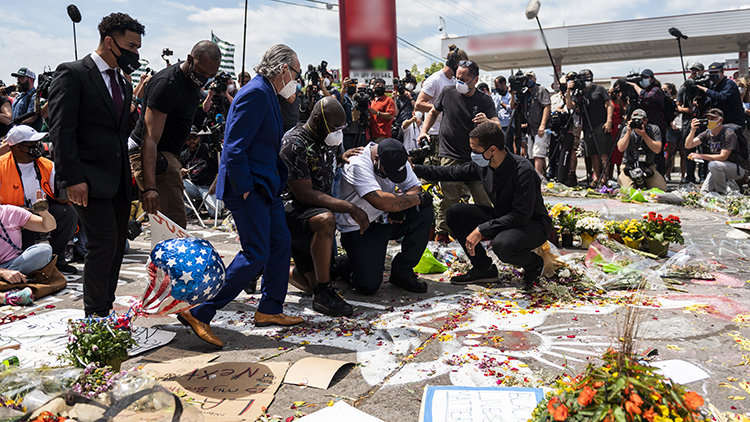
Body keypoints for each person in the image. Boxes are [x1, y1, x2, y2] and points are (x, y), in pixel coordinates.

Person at [178, 44, 304, 348]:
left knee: (280, 242)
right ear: (283, 69)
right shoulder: (255, 93)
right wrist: (246, 187)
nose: (297, 79)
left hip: (266, 186)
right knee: (256, 252)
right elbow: (233, 147)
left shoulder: (268, 93)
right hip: (248, 188)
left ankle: (269, 308)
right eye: (296, 72)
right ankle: (200, 311)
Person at [49, 12, 144, 317]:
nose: (135, 54)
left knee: (117, 246)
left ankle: (106, 306)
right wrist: (72, 177)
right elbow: (61, 130)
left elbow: (120, 131)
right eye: (130, 46)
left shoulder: (122, 81)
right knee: (102, 244)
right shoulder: (73, 73)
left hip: (116, 180)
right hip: (86, 180)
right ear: (109, 41)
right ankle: (95, 316)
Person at [413, 122, 551, 288]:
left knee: (502, 245)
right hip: (504, 218)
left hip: (532, 224)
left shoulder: (523, 171)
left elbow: (521, 216)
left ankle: (533, 263)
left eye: (475, 150)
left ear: (492, 150)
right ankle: (483, 268)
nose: (472, 154)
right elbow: (450, 173)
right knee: (455, 213)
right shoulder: (483, 166)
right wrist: (413, 168)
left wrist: (482, 230)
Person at [280, 97, 368, 316]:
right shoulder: (294, 143)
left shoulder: (326, 138)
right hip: (292, 211)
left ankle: (273, 269)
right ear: (317, 121)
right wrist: (349, 207)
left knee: (312, 280)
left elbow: (321, 163)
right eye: (335, 128)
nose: (339, 133)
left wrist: (340, 158)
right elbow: (304, 193)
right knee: (325, 219)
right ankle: (323, 294)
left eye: (342, 128)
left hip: (310, 211)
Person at [129, 41, 221, 229]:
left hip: (167, 153)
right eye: (202, 72)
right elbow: (149, 138)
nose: (204, 79)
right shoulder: (168, 84)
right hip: (153, 153)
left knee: (168, 225)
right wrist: (150, 187)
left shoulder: (191, 82)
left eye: (210, 75)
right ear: (189, 59)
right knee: (174, 225)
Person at [336, 138, 433, 295]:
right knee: (368, 286)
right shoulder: (357, 163)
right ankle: (343, 264)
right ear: (376, 158)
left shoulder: (399, 158)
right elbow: (379, 201)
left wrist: (400, 205)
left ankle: (402, 272)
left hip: (386, 218)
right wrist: (409, 201)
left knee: (423, 214)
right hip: (360, 227)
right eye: (388, 173)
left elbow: (415, 187)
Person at [418, 60, 497, 243]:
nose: (458, 82)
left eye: (463, 79)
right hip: (450, 155)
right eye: (457, 78)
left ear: (475, 80)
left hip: (477, 159)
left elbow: (498, 125)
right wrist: (423, 131)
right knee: (449, 198)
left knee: (483, 198)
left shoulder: (484, 100)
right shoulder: (447, 92)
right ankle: (442, 236)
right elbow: (433, 112)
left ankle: (485, 235)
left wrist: (487, 121)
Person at [0, 126, 78, 274]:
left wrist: (64, 193)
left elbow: (60, 197)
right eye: (33, 144)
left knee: (67, 213)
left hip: (40, 209)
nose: (38, 146)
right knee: (23, 224)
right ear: (17, 147)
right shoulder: (1, 165)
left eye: (39, 142)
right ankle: (20, 264)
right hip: (10, 215)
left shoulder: (47, 164)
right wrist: (18, 210)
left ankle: (58, 259)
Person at [0, 193, 57, 301]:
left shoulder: (10, 212)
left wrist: (44, 213)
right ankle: (9, 281)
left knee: (44, 250)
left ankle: (11, 279)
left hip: (16, 263)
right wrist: (3, 272)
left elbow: (49, 226)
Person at [415, 45, 468, 154]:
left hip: (450, 132)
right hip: (435, 134)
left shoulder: (454, 81)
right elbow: (419, 105)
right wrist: (443, 107)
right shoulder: (434, 80)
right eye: (462, 65)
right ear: (454, 63)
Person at [565, 69, 614, 185]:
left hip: (600, 124)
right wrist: (568, 91)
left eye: (587, 77)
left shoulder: (599, 89)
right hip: (587, 126)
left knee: (603, 153)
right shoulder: (579, 92)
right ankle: (596, 178)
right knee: (593, 154)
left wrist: (609, 121)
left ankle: (604, 179)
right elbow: (570, 106)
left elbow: (609, 105)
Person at [684, 108, 745, 194]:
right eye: (708, 118)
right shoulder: (708, 133)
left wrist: (700, 156)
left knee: (713, 164)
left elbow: (723, 157)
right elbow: (688, 145)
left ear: (720, 120)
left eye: (713, 119)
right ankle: (720, 191)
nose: (710, 121)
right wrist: (693, 130)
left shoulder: (728, 134)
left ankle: (722, 193)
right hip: (717, 168)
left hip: (736, 169)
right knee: (704, 193)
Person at [616, 109, 667, 191]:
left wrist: (644, 135)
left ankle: (645, 183)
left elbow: (657, 149)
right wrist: (629, 132)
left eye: (639, 120)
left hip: (648, 166)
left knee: (661, 189)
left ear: (645, 121)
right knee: (628, 191)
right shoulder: (626, 129)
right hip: (629, 166)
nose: (636, 123)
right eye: (633, 120)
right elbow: (621, 148)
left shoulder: (653, 129)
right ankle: (630, 182)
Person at [627, 69, 666, 174]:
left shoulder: (656, 90)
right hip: (644, 126)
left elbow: (648, 97)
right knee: (644, 151)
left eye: (646, 78)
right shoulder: (641, 91)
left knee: (657, 154)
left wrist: (635, 86)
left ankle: (660, 176)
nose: (643, 80)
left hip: (657, 125)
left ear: (652, 79)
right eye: (642, 78)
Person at [180, 126, 222, 217]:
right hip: (193, 185)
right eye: (188, 138)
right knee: (177, 184)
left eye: (194, 137)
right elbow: (180, 171)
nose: (191, 140)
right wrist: (181, 172)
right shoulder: (184, 154)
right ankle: (191, 208)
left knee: (215, 213)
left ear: (199, 137)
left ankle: (216, 203)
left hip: (208, 187)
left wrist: (216, 182)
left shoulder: (207, 149)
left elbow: (220, 167)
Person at [677, 63, 707, 184]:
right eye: (693, 70)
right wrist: (688, 109)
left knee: (703, 150)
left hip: (703, 121)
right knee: (689, 151)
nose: (694, 72)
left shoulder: (706, 85)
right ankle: (690, 176)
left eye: (697, 70)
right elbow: (678, 106)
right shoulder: (684, 87)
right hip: (688, 122)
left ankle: (703, 176)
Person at [694, 62, 746, 127]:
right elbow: (712, 100)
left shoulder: (729, 84)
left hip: (734, 122)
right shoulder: (714, 86)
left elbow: (722, 97)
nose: (713, 75)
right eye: (711, 73)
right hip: (720, 122)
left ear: (722, 73)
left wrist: (705, 90)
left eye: (716, 72)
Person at [522, 71, 552, 176]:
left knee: (538, 154)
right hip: (531, 129)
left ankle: (538, 177)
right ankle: (540, 176)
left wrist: (543, 124)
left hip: (540, 127)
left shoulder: (541, 90)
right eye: (527, 78)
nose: (529, 80)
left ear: (535, 79)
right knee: (531, 154)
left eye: (531, 77)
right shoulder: (526, 94)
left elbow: (547, 106)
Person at [662, 82, 686, 182]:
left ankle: (683, 176)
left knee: (683, 154)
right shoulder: (665, 101)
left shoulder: (678, 100)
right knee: (670, 153)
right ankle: (667, 174)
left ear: (670, 90)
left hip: (682, 127)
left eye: (665, 89)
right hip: (672, 129)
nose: (663, 91)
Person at [368, 78, 396, 143]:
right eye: (378, 86)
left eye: (382, 86)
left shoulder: (388, 100)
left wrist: (377, 113)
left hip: (383, 135)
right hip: (372, 134)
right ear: (373, 88)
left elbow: (391, 115)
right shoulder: (373, 101)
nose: (380, 87)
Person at [492, 76, 513, 146]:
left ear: (503, 84)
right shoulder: (497, 96)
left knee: (507, 145)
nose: (496, 88)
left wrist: (502, 103)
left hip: (508, 125)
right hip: (499, 125)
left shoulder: (511, 95)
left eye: (497, 86)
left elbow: (511, 109)